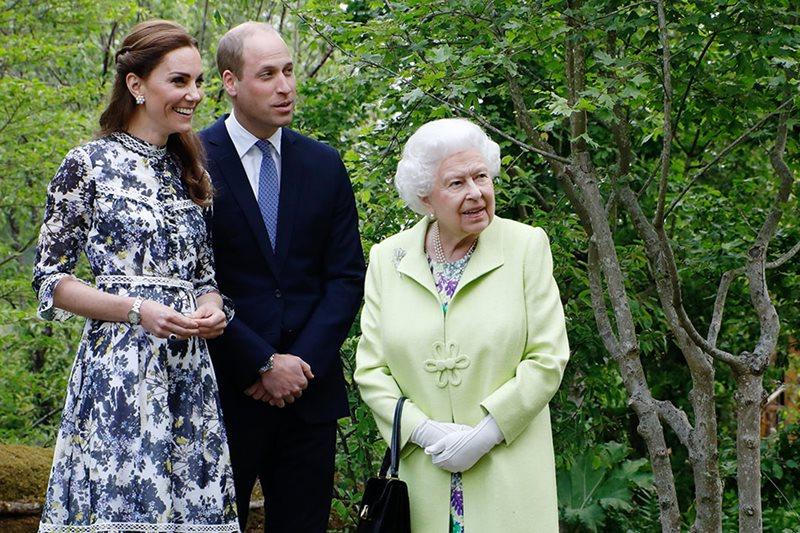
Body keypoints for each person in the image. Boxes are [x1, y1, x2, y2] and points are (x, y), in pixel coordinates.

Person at [31, 19, 238, 532]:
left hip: (188, 372)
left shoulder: (193, 173)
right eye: (179, 81)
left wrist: (213, 309)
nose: (193, 95)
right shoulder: (88, 164)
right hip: (119, 373)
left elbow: (204, 274)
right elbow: (51, 279)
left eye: (198, 82)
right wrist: (135, 310)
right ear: (136, 85)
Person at [354, 118, 570, 532]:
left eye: (482, 177)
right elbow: (371, 369)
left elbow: (547, 356)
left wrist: (486, 433)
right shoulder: (388, 258)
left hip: (507, 469)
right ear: (426, 197)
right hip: (424, 471)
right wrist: (426, 432)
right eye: (456, 183)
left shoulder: (525, 246)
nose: (475, 193)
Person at [199, 22, 365, 532]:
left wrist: (297, 366)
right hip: (224, 390)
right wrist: (260, 363)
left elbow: (345, 277)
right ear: (230, 82)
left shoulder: (323, 163)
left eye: (289, 71)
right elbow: (189, 279)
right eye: (267, 74)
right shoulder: (190, 162)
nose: (285, 86)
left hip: (307, 396)